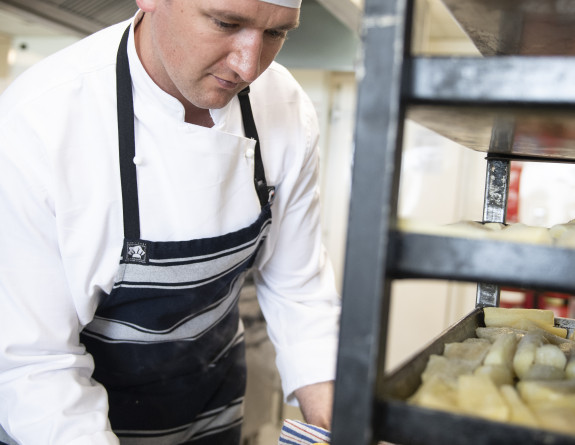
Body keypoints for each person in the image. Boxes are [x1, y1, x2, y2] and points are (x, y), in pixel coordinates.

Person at [0, 0, 341, 443]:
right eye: (226, 23)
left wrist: (336, 426)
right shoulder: (39, 122)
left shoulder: (285, 104)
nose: (247, 65)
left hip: (210, 414)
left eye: (276, 33)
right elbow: (34, 361)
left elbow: (300, 290)